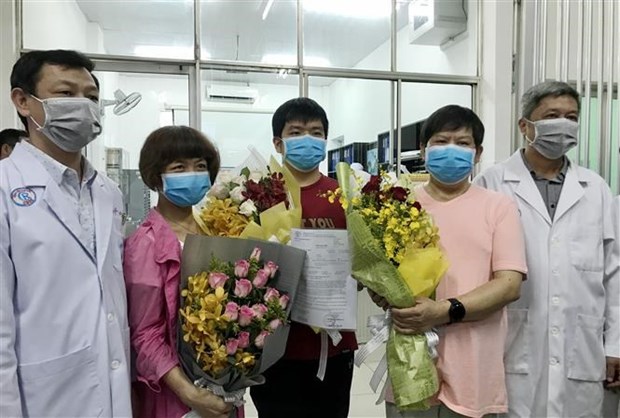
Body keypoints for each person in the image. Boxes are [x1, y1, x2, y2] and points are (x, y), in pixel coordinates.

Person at [474, 81, 620, 417]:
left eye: (571, 117)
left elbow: (614, 274)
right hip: (512, 343)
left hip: (582, 347)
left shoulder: (595, 188)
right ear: (525, 126)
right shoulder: (493, 184)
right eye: (552, 115)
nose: (563, 124)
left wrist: (614, 344)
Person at [0, 49, 132, 416]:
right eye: (65, 94)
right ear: (23, 101)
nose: (83, 106)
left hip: (112, 386)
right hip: (42, 397)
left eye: (90, 97)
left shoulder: (108, 192)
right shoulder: (4, 188)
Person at [375, 105, 528, 418]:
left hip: (474, 361)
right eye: (441, 141)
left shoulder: (498, 207)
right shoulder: (399, 204)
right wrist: (382, 291)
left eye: (462, 143)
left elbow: (509, 284)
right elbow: (380, 271)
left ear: (478, 152)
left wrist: (445, 311)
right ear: (423, 149)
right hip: (411, 357)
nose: (451, 150)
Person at [249, 97, 358, 418]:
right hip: (274, 347)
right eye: (296, 133)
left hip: (332, 345)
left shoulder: (347, 195)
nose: (307, 139)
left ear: (325, 141)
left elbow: (366, 263)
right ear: (278, 143)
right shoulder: (257, 195)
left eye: (316, 132)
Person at [123, 126, 232, 418]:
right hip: (174, 392)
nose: (193, 174)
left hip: (221, 383)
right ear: (156, 175)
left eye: (200, 166)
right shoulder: (145, 244)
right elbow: (144, 334)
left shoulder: (215, 229)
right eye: (179, 167)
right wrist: (189, 392)